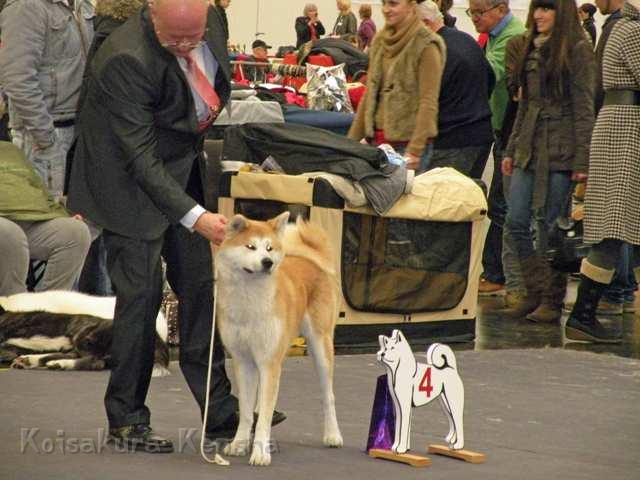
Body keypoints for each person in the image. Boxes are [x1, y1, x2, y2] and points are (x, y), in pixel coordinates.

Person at [67, 0, 284, 453]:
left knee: (201, 288)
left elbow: (200, 99)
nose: (187, 46)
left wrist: (191, 207)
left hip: (179, 170)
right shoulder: (125, 57)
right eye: (175, 40)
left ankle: (222, 412)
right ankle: (127, 419)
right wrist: (196, 216)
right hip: (124, 184)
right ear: (151, 15)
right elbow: (140, 158)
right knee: (142, 299)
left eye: (195, 37)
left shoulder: (214, 21)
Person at [502, 0, 596, 323]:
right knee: (515, 220)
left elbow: (584, 108)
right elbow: (525, 105)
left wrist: (583, 160)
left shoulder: (578, 49)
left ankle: (552, 300)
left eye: (547, 8)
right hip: (528, 145)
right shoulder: (530, 45)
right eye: (537, 9)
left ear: (562, 12)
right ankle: (535, 290)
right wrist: (512, 149)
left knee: (550, 226)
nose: (539, 15)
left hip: (561, 149)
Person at [565, 0, 640, 343]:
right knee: (613, 226)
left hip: (623, 129)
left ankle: (585, 315)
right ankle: (582, 315)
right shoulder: (632, 30)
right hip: (625, 132)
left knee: (626, 226)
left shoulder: (623, 27)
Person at [0, 0, 95, 202]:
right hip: (44, 135)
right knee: (48, 219)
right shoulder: (25, 7)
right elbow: (18, 80)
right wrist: (46, 138)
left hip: (76, 129)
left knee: (75, 221)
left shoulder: (78, 4)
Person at [466, 0, 525, 296]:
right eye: (471, 13)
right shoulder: (492, 36)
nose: (474, 18)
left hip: (510, 131)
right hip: (498, 128)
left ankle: (497, 274)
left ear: (500, 9)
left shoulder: (513, 36)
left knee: (501, 204)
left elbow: (489, 74)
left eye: (479, 12)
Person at [348, 0, 444, 173]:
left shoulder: (427, 45)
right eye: (384, 3)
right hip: (376, 145)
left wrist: (414, 150)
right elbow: (369, 97)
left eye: (393, 4)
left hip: (408, 148)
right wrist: (350, 143)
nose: (386, 9)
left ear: (411, 5)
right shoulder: (380, 40)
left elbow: (428, 102)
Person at [0, 141, 91, 296]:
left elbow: (41, 192)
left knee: (76, 232)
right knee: (11, 233)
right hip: (6, 227)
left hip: (31, 221)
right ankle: (14, 312)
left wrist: (64, 215)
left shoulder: (11, 150)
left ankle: (50, 311)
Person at [418, 0, 494, 178]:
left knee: (441, 202)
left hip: (451, 142)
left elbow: (425, 101)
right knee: (469, 200)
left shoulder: (434, 51)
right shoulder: (466, 39)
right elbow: (490, 78)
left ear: (425, 23)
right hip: (480, 135)